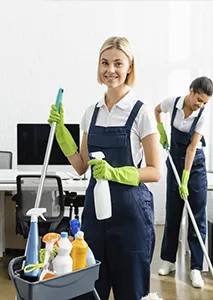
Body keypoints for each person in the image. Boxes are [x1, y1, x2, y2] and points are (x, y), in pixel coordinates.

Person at [48, 36, 160, 300]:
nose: (111, 70)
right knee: (89, 288)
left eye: (118, 63)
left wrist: (115, 173)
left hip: (131, 214)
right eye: (105, 63)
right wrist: (62, 133)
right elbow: (80, 166)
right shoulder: (92, 112)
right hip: (95, 216)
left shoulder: (140, 112)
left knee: (130, 290)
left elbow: (155, 171)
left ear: (130, 67)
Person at [154, 76, 213, 288]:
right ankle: (168, 260)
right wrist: (161, 131)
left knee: (196, 215)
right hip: (174, 162)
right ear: (191, 91)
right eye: (199, 99)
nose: (200, 105)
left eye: (205, 102)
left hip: (194, 167)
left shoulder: (203, 116)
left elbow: (191, 148)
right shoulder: (173, 103)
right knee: (173, 212)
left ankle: (196, 267)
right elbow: (157, 110)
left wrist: (186, 178)